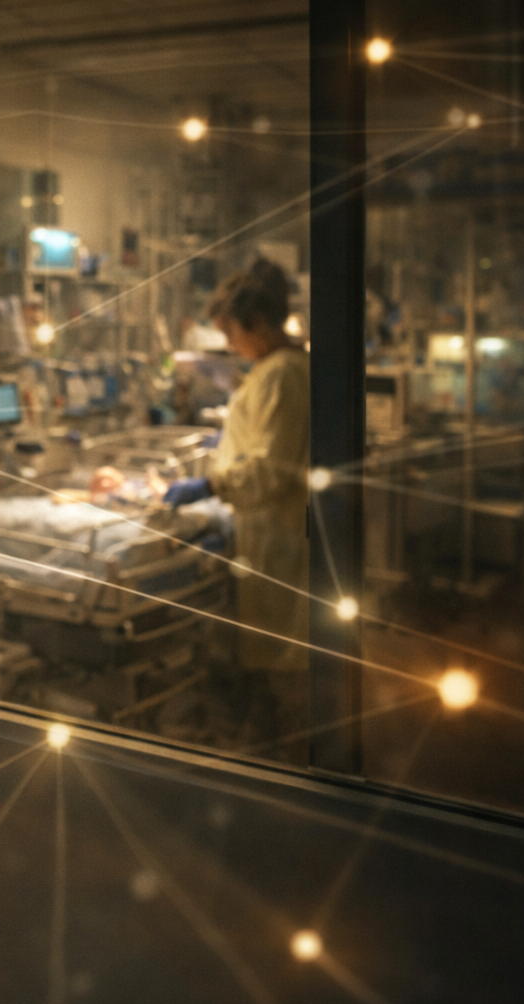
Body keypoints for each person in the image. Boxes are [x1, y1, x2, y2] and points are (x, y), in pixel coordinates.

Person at [160, 259, 311, 757]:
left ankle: (284, 755)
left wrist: (209, 486)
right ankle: (273, 741)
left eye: (232, 332)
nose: (229, 345)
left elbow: (269, 468)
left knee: (281, 657)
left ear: (260, 324)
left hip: (276, 532)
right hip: (263, 526)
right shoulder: (274, 371)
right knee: (270, 654)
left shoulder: (282, 375)